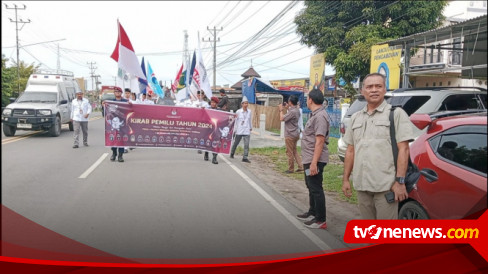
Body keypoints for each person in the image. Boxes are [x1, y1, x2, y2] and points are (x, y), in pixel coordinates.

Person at [342, 73, 415, 219]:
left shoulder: (396, 114)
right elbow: (350, 151)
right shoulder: (356, 117)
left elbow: (404, 149)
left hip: (386, 186)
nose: (374, 90)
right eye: (369, 87)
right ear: (362, 91)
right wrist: (345, 179)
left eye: (378, 86)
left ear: (384, 89)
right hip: (362, 185)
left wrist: (400, 182)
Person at [295, 88, 330, 229]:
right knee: (310, 186)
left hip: (315, 160)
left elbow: (320, 140)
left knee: (316, 188)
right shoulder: (314, 114)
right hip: (309, 158)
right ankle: (312, 212)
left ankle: (321, 220)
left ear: (311, 99)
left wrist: (314, 163)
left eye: (307, 98)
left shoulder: (320, 116)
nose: (307, 100)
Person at [279, 95, 304, 173]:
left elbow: (282, 118)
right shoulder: (297, 110)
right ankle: (301, 166)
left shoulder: (292, 112)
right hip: (296, 133)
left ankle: (291, 168)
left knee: (289, 152)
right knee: (294, 151)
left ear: (290, 102)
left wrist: (280, 110)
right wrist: (287, 108)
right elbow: (290, 113)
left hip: (290, 134)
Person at [106, 87, 129, 162]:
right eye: (116, 91)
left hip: (122, 124)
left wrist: (130, 104)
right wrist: (104, 105)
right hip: (113, 124)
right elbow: (106, 112)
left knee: (121, 140)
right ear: (114, 93)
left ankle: (120, 155)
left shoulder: (125, 101)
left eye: (119, 91)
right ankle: (114, 153)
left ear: (121, 93)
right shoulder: (111, 102)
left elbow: (130, 110)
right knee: (113, 139)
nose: (117, 93)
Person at [230, 96, 252, 163]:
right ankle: (232, 153)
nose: (246, 105)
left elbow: (250, 120)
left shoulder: (249, 111)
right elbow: (235, 121)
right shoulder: (238, 111)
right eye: (244, 103)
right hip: (239, 130)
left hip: (246, 129)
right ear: (242, 104)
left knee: (246, 144)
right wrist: (234, 129)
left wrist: (250, 127)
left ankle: (245, 157)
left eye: (247, 103)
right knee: (236, 143)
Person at [204, 96, 221, 164]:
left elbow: (225, 117)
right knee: (208, 141)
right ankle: (206, 153)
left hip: (216, 129)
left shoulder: (219, 110)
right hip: (208, 128)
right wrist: (202, 110)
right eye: (212, 102)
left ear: (216, 103)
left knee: (216, 143)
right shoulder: (207, 109)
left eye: (214, 102)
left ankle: (214, 157)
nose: (213, 104)